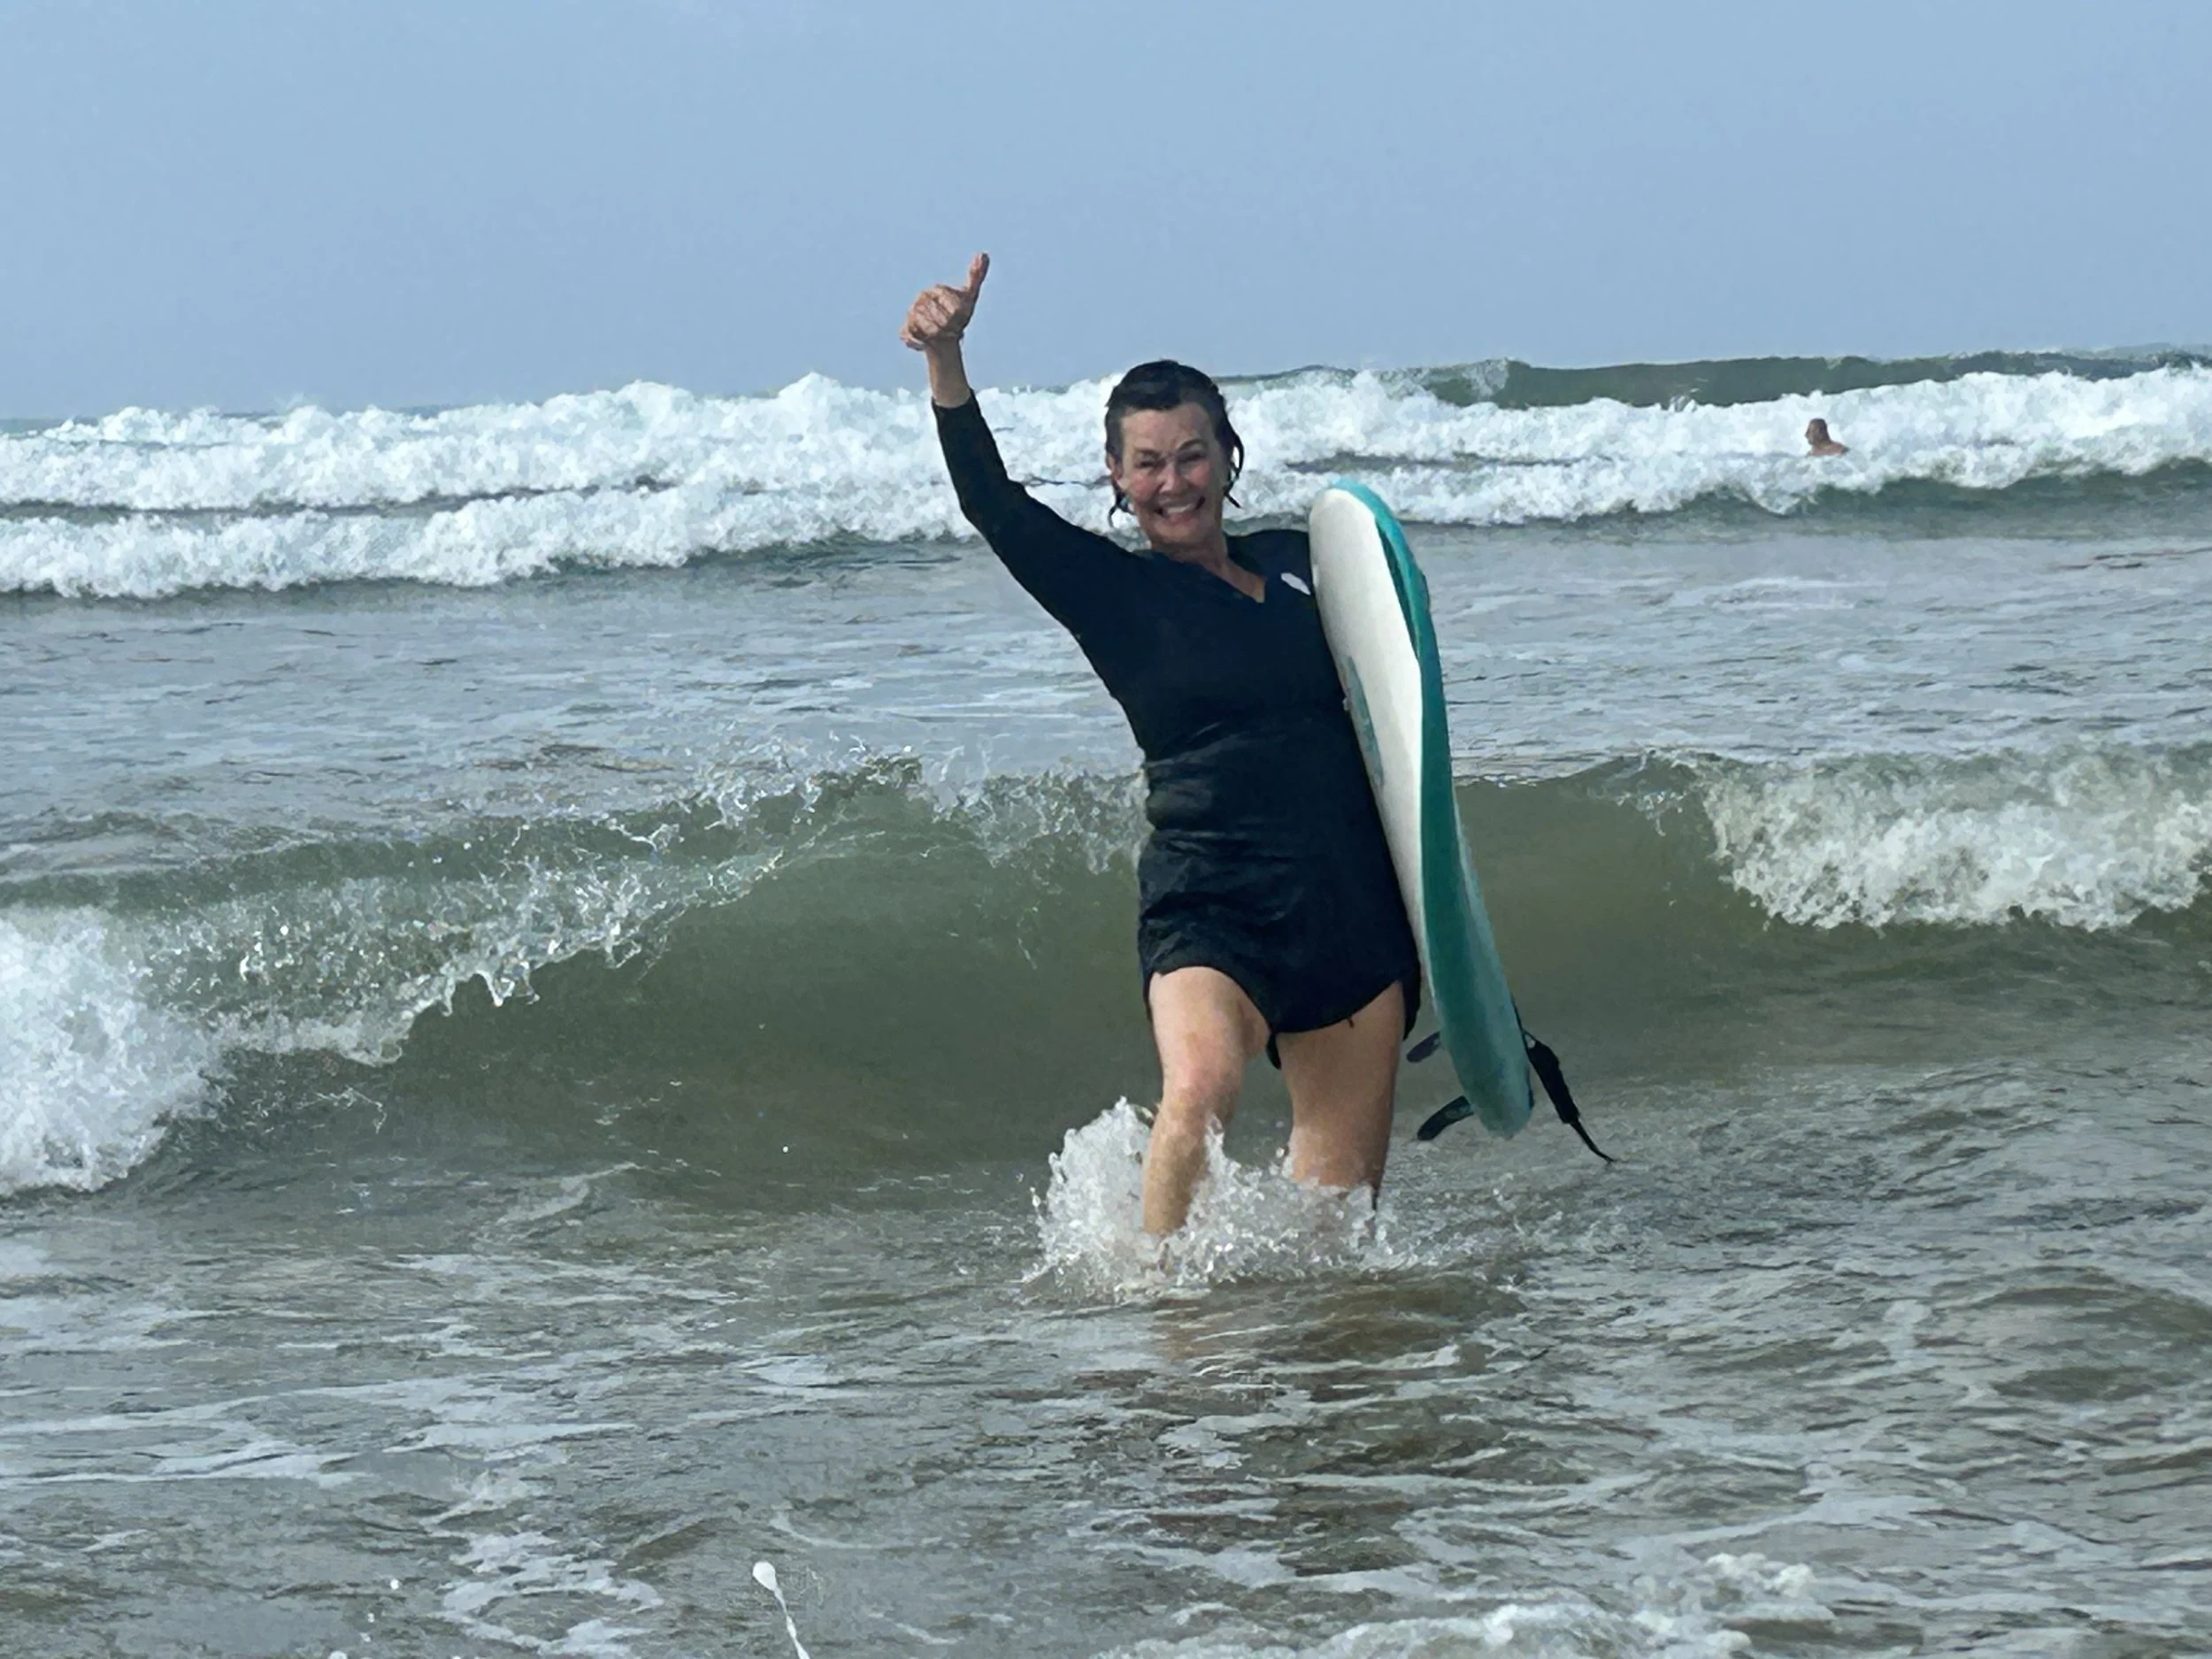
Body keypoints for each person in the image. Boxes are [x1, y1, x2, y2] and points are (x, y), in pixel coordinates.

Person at [902, 253, 1420, 1238]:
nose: (1172, 482)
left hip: (1348, 907)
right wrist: (948, 360)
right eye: (1147, 462)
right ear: (1116, 476)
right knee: (1199, 1087)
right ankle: (1164, 1326)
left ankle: (1317, 1379)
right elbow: (991, 503)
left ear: (1227, 454)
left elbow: (1397, 691)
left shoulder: (1302, 563)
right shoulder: (1114, 593)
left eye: (1191, 454)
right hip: (1210, 896)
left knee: (1335, 1229)